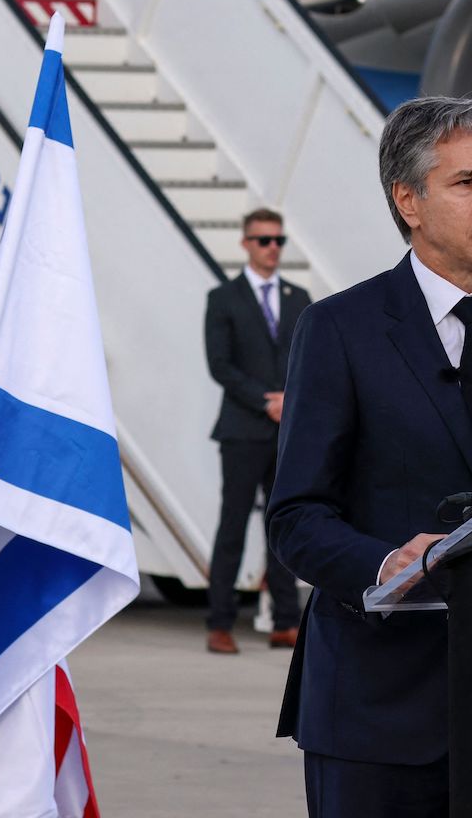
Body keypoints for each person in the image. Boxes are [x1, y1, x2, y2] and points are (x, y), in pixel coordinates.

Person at [268, 95, 472, 818]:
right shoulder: (340, 330)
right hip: (380, 711)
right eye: (468, 182)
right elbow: (297, 516)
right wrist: (390, 565)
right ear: (408, 201)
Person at [202, 208, 308, 654]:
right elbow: (220, 365)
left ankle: (286, 621)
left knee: (282, 524)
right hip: (244, 429)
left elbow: (310, 357)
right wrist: (266, 400)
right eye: (263, 240)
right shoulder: (223, 298)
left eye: (278, 240)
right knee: (233, 525)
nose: (272, 248)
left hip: (287, 430)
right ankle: (219, 622)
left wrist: (290, 398)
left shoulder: (298, 296)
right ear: (246, 243)